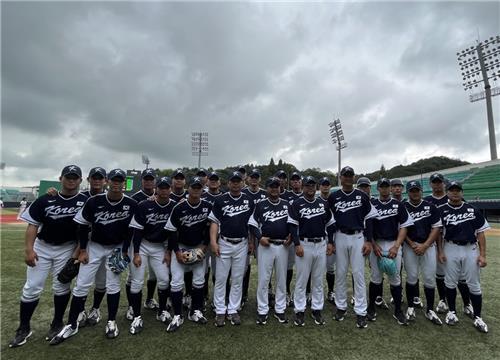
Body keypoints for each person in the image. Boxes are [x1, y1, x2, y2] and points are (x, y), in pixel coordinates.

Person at [50, 169, 137, 344]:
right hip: (95, 246)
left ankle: (111, 321)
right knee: (81, 284)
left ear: (123, 183)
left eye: (120, 181)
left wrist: (125, 250)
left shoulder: (131, 203)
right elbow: (82, 226)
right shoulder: (94, 201)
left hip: (117, 247)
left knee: (112, 284)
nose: (116, 183)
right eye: (113, 180)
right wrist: (82, 250)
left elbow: (131, 230)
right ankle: (72, 324)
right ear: (107, 181)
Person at [8, 165, 87, 348]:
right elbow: (33, 225)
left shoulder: (84, 201)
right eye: (68, 176)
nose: (71, 180)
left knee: (61, 285)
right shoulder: (46, 199)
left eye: (75, 177)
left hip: (67, 248)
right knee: (32, 288)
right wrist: (29, 249)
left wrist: (77, 253)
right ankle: (24, 328)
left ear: (80, 180)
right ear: (60, 178)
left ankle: (57, 322)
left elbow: (85, 231)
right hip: (42, 246)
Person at [328, 166, 377, 329]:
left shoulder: (362, 196)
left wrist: (369, 240)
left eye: (350, 175)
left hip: (358, 236)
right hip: (340, 236)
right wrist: (330, 241)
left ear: (354, 177)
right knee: (340, 273)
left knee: (358, 274)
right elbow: (329, 222)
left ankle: (361, 311)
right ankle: (341, 307)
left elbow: (369, 219)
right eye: (345, 175)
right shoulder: (333, 197)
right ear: (340, 177)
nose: (348, 178)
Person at [438, 181, 490, 333]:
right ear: (447, 192)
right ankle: (452, 312)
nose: (455, 193)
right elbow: (439, 234)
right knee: (450, 282)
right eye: (452, 190)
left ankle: (478, 316)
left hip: (470, 248)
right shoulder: (441, 210)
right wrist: (440, 251)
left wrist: (483, 255)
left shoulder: (472, 210)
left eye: (457, 190)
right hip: (450, 247)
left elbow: (480, 233)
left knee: (474, 283)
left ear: (462, 192)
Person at [127, 176, 176, 335]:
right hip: (142, 245)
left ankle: (162, 311)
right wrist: (135, 253)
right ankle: (137, 316)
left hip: (159, 247)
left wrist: (168, 252)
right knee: (137, 281)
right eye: (160, 187)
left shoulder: (174, 207)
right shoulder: (145, 205)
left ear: (170, 189)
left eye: (166, 187)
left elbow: (173, 233)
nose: (163, 190)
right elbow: (137, 230)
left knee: (164, 279)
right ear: (156, 189)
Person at [164, 177, 212, 332]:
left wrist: (203, 247)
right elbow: (171, 232)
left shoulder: (207, 206)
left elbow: (210, 230)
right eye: (194, 187)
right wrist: (176, 252)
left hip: (198, 248)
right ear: (188, 189)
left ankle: (195, 311)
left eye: (199, 187)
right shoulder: (179, 207)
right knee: (176, 282)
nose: (196, 190)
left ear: (202, 189)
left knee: (199, 281)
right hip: (181, 247)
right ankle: (178, 315)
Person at [288, 176, 335, 326]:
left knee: (318, 280)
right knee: (302, 279)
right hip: (304, 243)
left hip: (321, 243)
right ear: (303, 187)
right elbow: (293, 226)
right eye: (307, 185)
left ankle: (317, 309)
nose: (310, 188)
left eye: (312, 185)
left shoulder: (323, 203)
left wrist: (331, 242)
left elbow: (331, 224)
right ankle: (299, 310)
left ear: (316, 187)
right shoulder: (297, 203)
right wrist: (296, 244)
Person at [209, 171, 255, 327]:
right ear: (228, 183)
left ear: (243, 183)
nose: (236, 184)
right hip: (224, 242)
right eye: (233, 181)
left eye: (238, 181)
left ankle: (233, 309)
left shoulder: (249, 201)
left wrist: (251, 241)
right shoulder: (220, 200)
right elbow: (214, 222)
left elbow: (251, 224)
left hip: (242, 244)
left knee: (237, 278)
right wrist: (213, 242)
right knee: (221, 278)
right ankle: (220, 310)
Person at [424, 173, 472, 316]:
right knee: (440, 273)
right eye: (435, 182)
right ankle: (443, 300)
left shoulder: (454, 197)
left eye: (440, 182)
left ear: (444, 184)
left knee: (461, 275)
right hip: (436, 242)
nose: (437, 184)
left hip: (454, 241)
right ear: (430, 184)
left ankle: (467, 303)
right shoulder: (427, 200)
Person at [367, 178, 414, 326]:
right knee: (375, 278)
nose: (385, 189)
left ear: (390, 189)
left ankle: (398, 310)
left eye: (387, 186)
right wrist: (373, 245)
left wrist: (397, 246)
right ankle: (371, 307)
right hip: (378, 244)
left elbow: (404, 226)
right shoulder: (372, 204)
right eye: (382, 186)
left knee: (395, 278)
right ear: (378, 188)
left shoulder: (398, 205)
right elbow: (368, 228)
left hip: (394, 243)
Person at [249, 177, 291, 324]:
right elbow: (252, 224)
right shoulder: (260, 205)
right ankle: (262, 310)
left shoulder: (286, 204)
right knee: (263, 279)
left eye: (276, 186)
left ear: (280, 188)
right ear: (267, 188)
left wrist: (291, 236)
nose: (274, 189)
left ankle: (280, 309)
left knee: (281, 279)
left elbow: (293, 223)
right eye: (271, 186)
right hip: (266, 245)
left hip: (282, 246)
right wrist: (259, 238)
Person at [403, 180, 443, 325]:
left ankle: (430, 310)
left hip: (428, 247)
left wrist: (425, 245)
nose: (415, 193)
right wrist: (412, 244)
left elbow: (436, 228)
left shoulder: (430, 206)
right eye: (412, 190)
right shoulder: (404, 206)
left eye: (417, 190)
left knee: (429, 278)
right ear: (408, 192)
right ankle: (411, 307)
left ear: (421, 191)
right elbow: (401, 228)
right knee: (412, 277)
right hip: (410, 246)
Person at [128, 168, 159, 318]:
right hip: (138, 241)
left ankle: (149, 299)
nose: (148, 181)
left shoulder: (161, 196)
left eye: (151, 179)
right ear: (142, 181)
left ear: (155, 181)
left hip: (156, 243)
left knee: (153, 275)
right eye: (146, 179)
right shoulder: (135, 197)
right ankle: (131, 307)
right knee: (132, 277)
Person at [241, 168, 267, 308]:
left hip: (262, 233)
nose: (254, 179)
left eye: (257, 177)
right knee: (245, 266)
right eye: (252, 176)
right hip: (245, 233)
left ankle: (267, 292)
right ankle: (243, 294)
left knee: (265, 265)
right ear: (248, 178)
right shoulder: (243, 193)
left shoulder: (264, 193)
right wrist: (250, 239)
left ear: (260, 179)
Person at [318, 177, 335, 304]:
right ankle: (309, 292)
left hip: (332, 236)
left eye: (327, 184)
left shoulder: (334, 199)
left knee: (330, 267)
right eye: (323, 184)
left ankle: (330, 291)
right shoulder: (316, 200)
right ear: (320, 187)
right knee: (314, 268)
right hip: (319, 236)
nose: (325, 186)